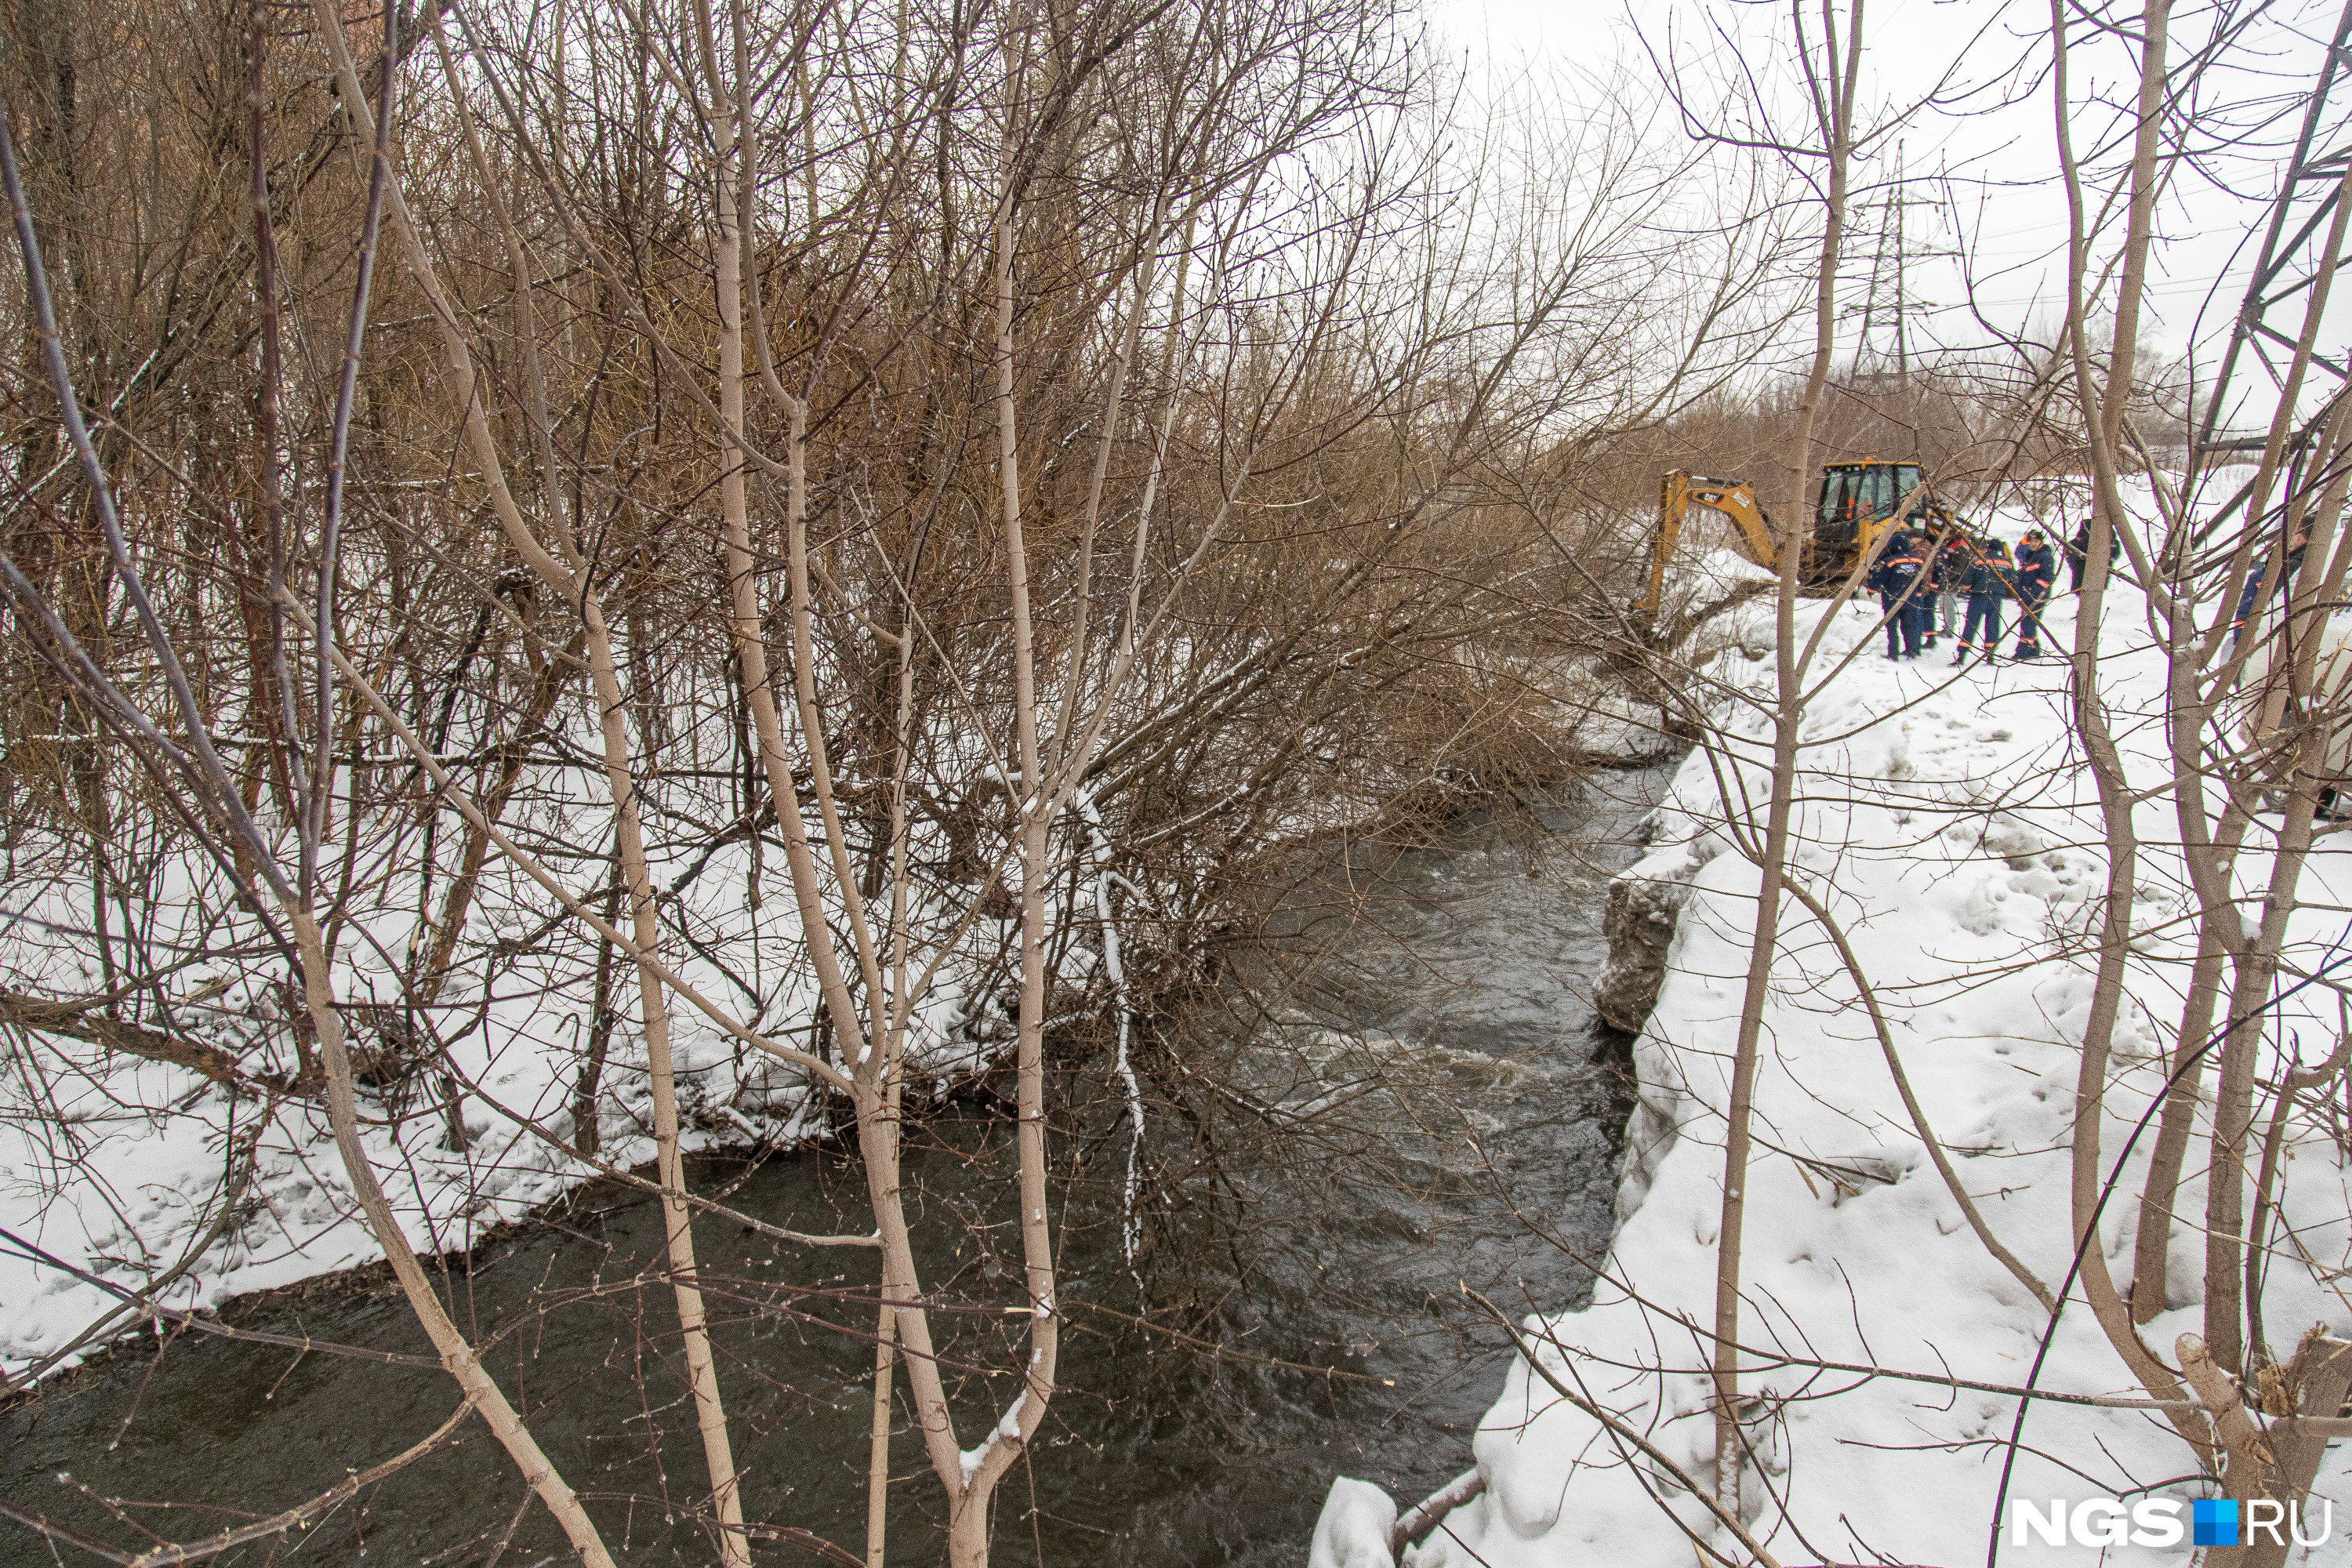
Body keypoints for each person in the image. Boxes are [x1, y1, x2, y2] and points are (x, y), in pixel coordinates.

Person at [2232, 529, 2307, 643]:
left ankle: (2242, 639)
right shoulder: (2310, 556)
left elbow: (2247, 607)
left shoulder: (2288, 565)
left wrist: (2241, 639)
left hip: (2266, 628)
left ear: (2299, 537)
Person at [1953, 536, 2013, 665]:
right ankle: (1990, 655)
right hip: (1996, 597)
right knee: (1993, 625)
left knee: (1971, 624)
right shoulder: (2007, 563)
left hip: (1979, 595)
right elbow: (2011, 578)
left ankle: (1962, 655)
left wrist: (1966, 587)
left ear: (1988, 548)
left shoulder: (1979, 560)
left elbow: (1968, 579)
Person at [1868, 531, 1928, 659]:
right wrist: (1918, 593)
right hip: (1910, 600)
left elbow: (1878, 579)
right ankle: (1911, 651)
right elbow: (1920, 579)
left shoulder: (1888, 561)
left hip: (1892, 599)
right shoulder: (1918, 560)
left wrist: (1872, 589)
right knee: (1909, 626)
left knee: (1892, 628)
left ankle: (1893, 653)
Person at [2012, 528, 2056, 659]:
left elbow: (2046, 578)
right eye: (2031, 541)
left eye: (2036, 541)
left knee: (2027, 623)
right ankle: (2034, 650)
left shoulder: (2045, 556)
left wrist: (2033, 593)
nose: (2033, 544)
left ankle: (2023, 652)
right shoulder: (2030, 556)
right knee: (2030, 622)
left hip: (2037, 596)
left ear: (2041, 541)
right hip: (2027, 595)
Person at [1931, 530, 1971, 648]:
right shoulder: (1955, 545)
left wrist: (1946, 576)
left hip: (1952, 582)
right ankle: (1948, 627)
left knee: (1947, 604)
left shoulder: (1959, 547)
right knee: (1944, 603)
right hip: (1951, 580)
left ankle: (1949, 629)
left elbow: (1959, 567)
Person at [2067, 514, 2122, 593]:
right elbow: (2070, 555)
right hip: (2085, 568)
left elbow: (2116, 553)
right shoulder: (2084, 540)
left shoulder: (2104, 540)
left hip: (2097, 568)